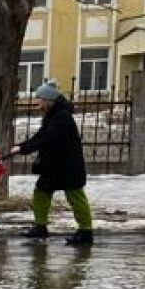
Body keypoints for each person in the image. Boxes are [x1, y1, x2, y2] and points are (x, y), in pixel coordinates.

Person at [15, 80, 94, 246]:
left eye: (39, 99)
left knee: (75, 197)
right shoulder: (53, 116)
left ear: (48, 100)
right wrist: (22, 147)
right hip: (56, 165)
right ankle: (40, 227)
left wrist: (25, 149)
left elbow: (47, 138)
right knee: (41, 192)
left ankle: (86, 232)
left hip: (68, 165)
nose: (37, 103)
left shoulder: (61, 117)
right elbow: (41, 136)